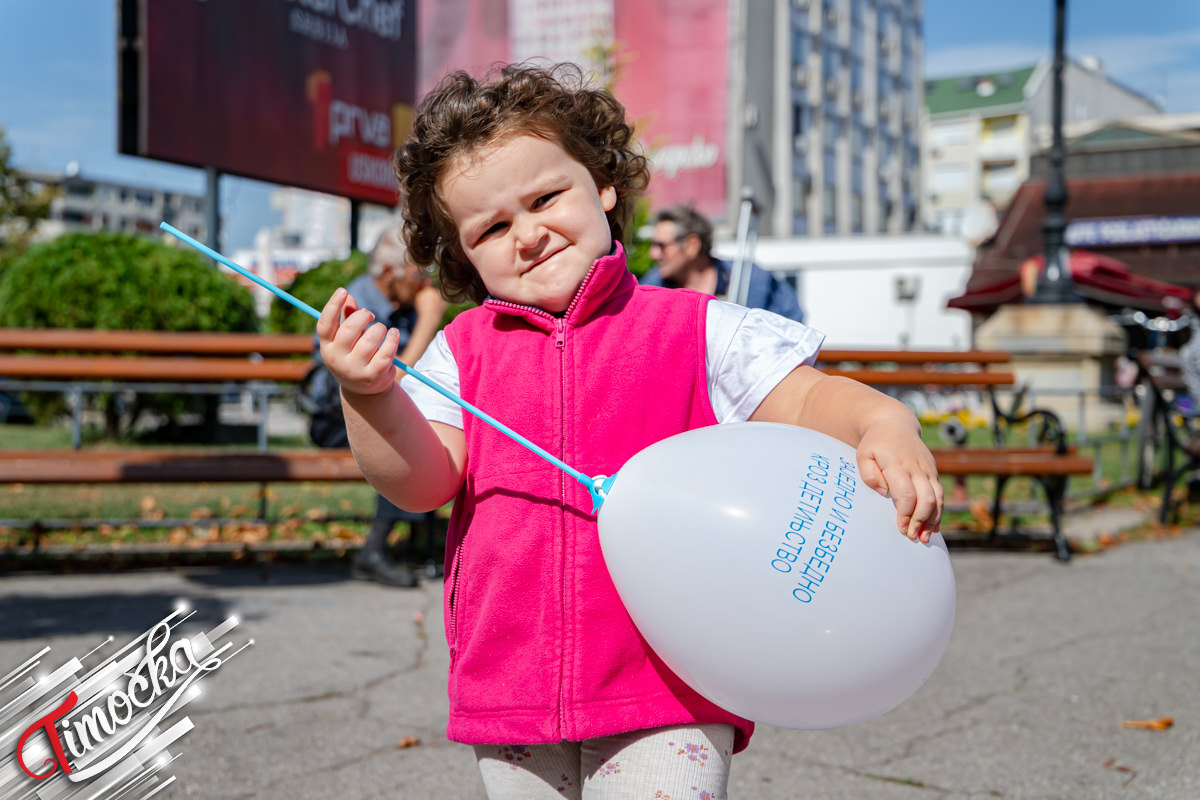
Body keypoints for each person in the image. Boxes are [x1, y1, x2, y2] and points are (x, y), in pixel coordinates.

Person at [316, 63, 942, 799]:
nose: (527, 234)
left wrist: (881, 419)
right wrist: (369, 397)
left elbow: (805, 403)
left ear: (603, 184)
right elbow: (422, 482)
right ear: (460, 254)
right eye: (490, 227)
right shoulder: (462, 349)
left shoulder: (695, 328)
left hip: (668, 683)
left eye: (545, 197)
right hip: (511, 683)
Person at [305, 227, 446, 588]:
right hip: (336, 420)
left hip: (380, 415)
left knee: (422, 433)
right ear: (388, 273)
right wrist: (429, 323)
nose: (424, 286)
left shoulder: (402, 306)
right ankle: (374, 550)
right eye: (419, 275)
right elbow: (384, 385)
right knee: (401, 443)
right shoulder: (357, 308)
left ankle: (417, 544)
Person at [640, 204, 806, 322]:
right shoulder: (651, 288)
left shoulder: (750, 278)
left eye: (661, 246)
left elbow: (792, 322)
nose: (653, 254)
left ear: (692, 245)